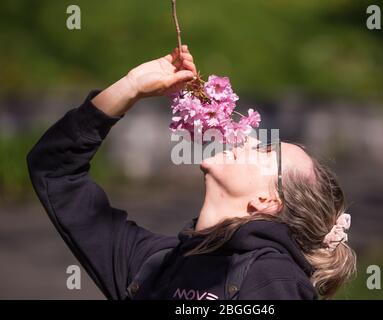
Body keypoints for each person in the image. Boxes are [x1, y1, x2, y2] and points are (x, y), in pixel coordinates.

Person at [27, 45, 356, 300]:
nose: (251, 137)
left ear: (267, 200)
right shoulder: (152, 262)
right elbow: (54, 169)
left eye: (266, 150)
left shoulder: (274, 279)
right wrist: (129, 88)